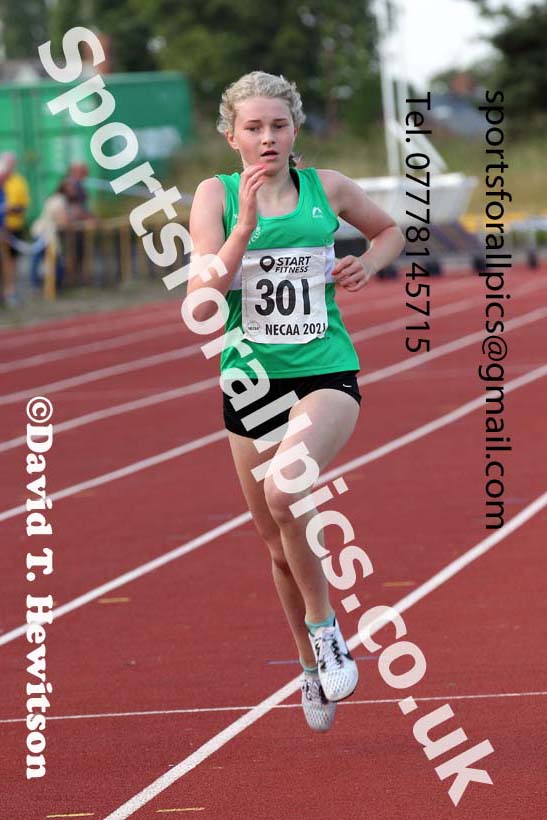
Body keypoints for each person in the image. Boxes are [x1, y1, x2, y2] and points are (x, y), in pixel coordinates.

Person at [188, 72, 405, 733]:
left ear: (294, 130)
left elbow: (389, 229)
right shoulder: (214, 196)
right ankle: (309, 667)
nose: (266, 137)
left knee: (286, 492)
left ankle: (326, 629)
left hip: (325, 372)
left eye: (277, 125)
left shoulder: (327, 188)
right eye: (252, 128)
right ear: (232, 137)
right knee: (277, 546)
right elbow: (205, 290)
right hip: (251, 385)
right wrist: (244, 226)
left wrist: (367, 261)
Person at [29, 180, 72, 289]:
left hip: (41, 231)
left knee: (38, 259)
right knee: (53, 259)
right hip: (47, 233)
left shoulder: (54, 198)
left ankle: (38, 284)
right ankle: (53, 285)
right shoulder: (60, 200)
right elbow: (63, 220)